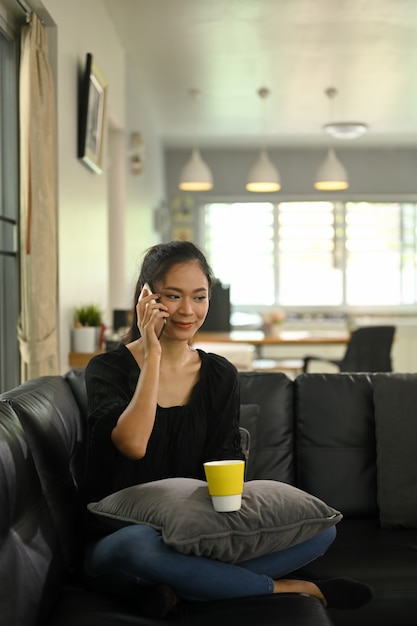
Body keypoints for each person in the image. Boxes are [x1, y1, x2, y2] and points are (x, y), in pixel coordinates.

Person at [82, 240, 373, 618]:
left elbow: (224, 461)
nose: (188, 311)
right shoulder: (107, 369)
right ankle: (286, 587)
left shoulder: (219, 374)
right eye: (173, 296)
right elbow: (134, 445)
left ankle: (187, 586)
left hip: (197, 539)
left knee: (321, 530)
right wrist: (152, 354)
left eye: (199, 297)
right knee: (140, 546)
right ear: (146, 299)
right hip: (121, 539)